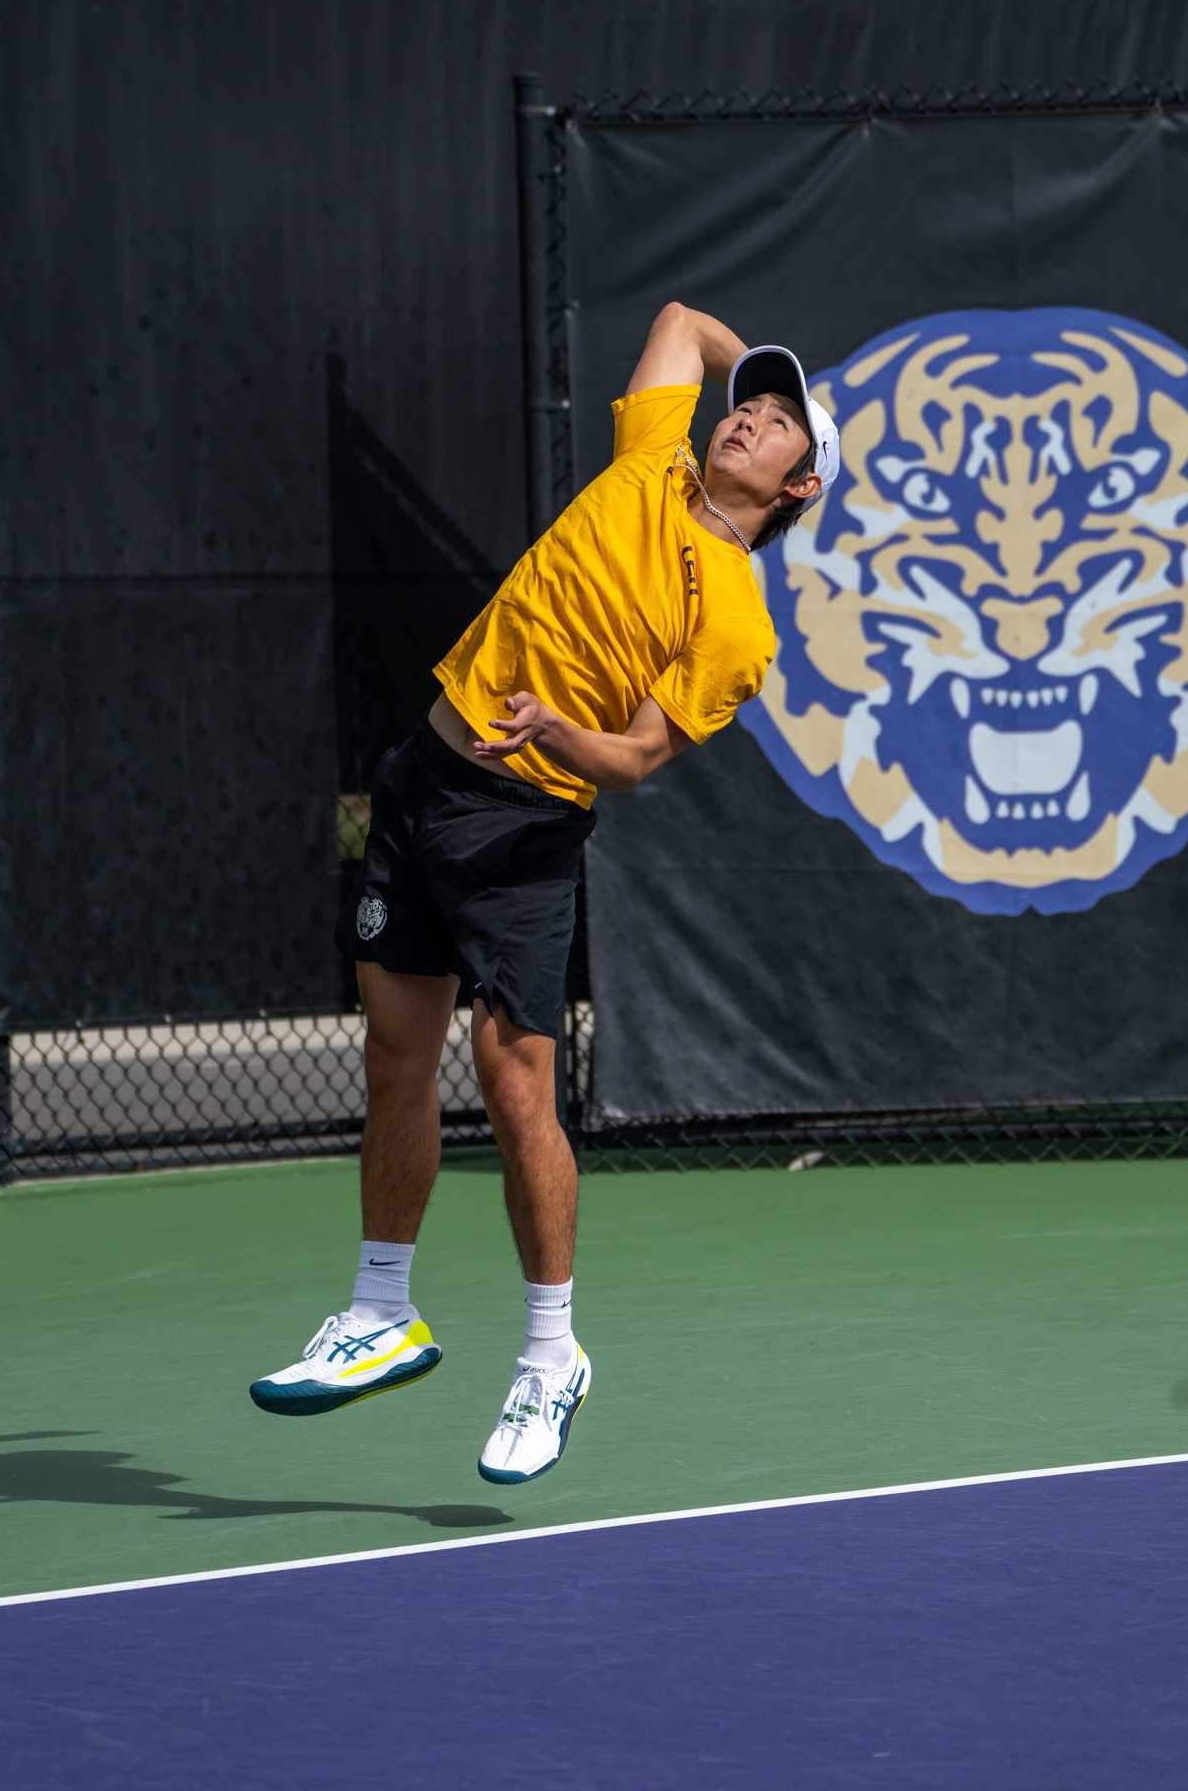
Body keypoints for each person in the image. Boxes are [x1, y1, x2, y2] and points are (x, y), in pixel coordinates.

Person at [250, 303, 841, 1482]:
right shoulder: (649, 462)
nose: (749, 420)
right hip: (422, 785)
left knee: (514, 1085)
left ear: (799, 491)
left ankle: (549, 1356)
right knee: (392, 1055)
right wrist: (782, 375)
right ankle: (381, 1310)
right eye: (749, 408)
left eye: (779, 430)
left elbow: (630, 760)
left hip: (525, 825)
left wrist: (557, 730)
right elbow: (681, 322)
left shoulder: (736, 621)